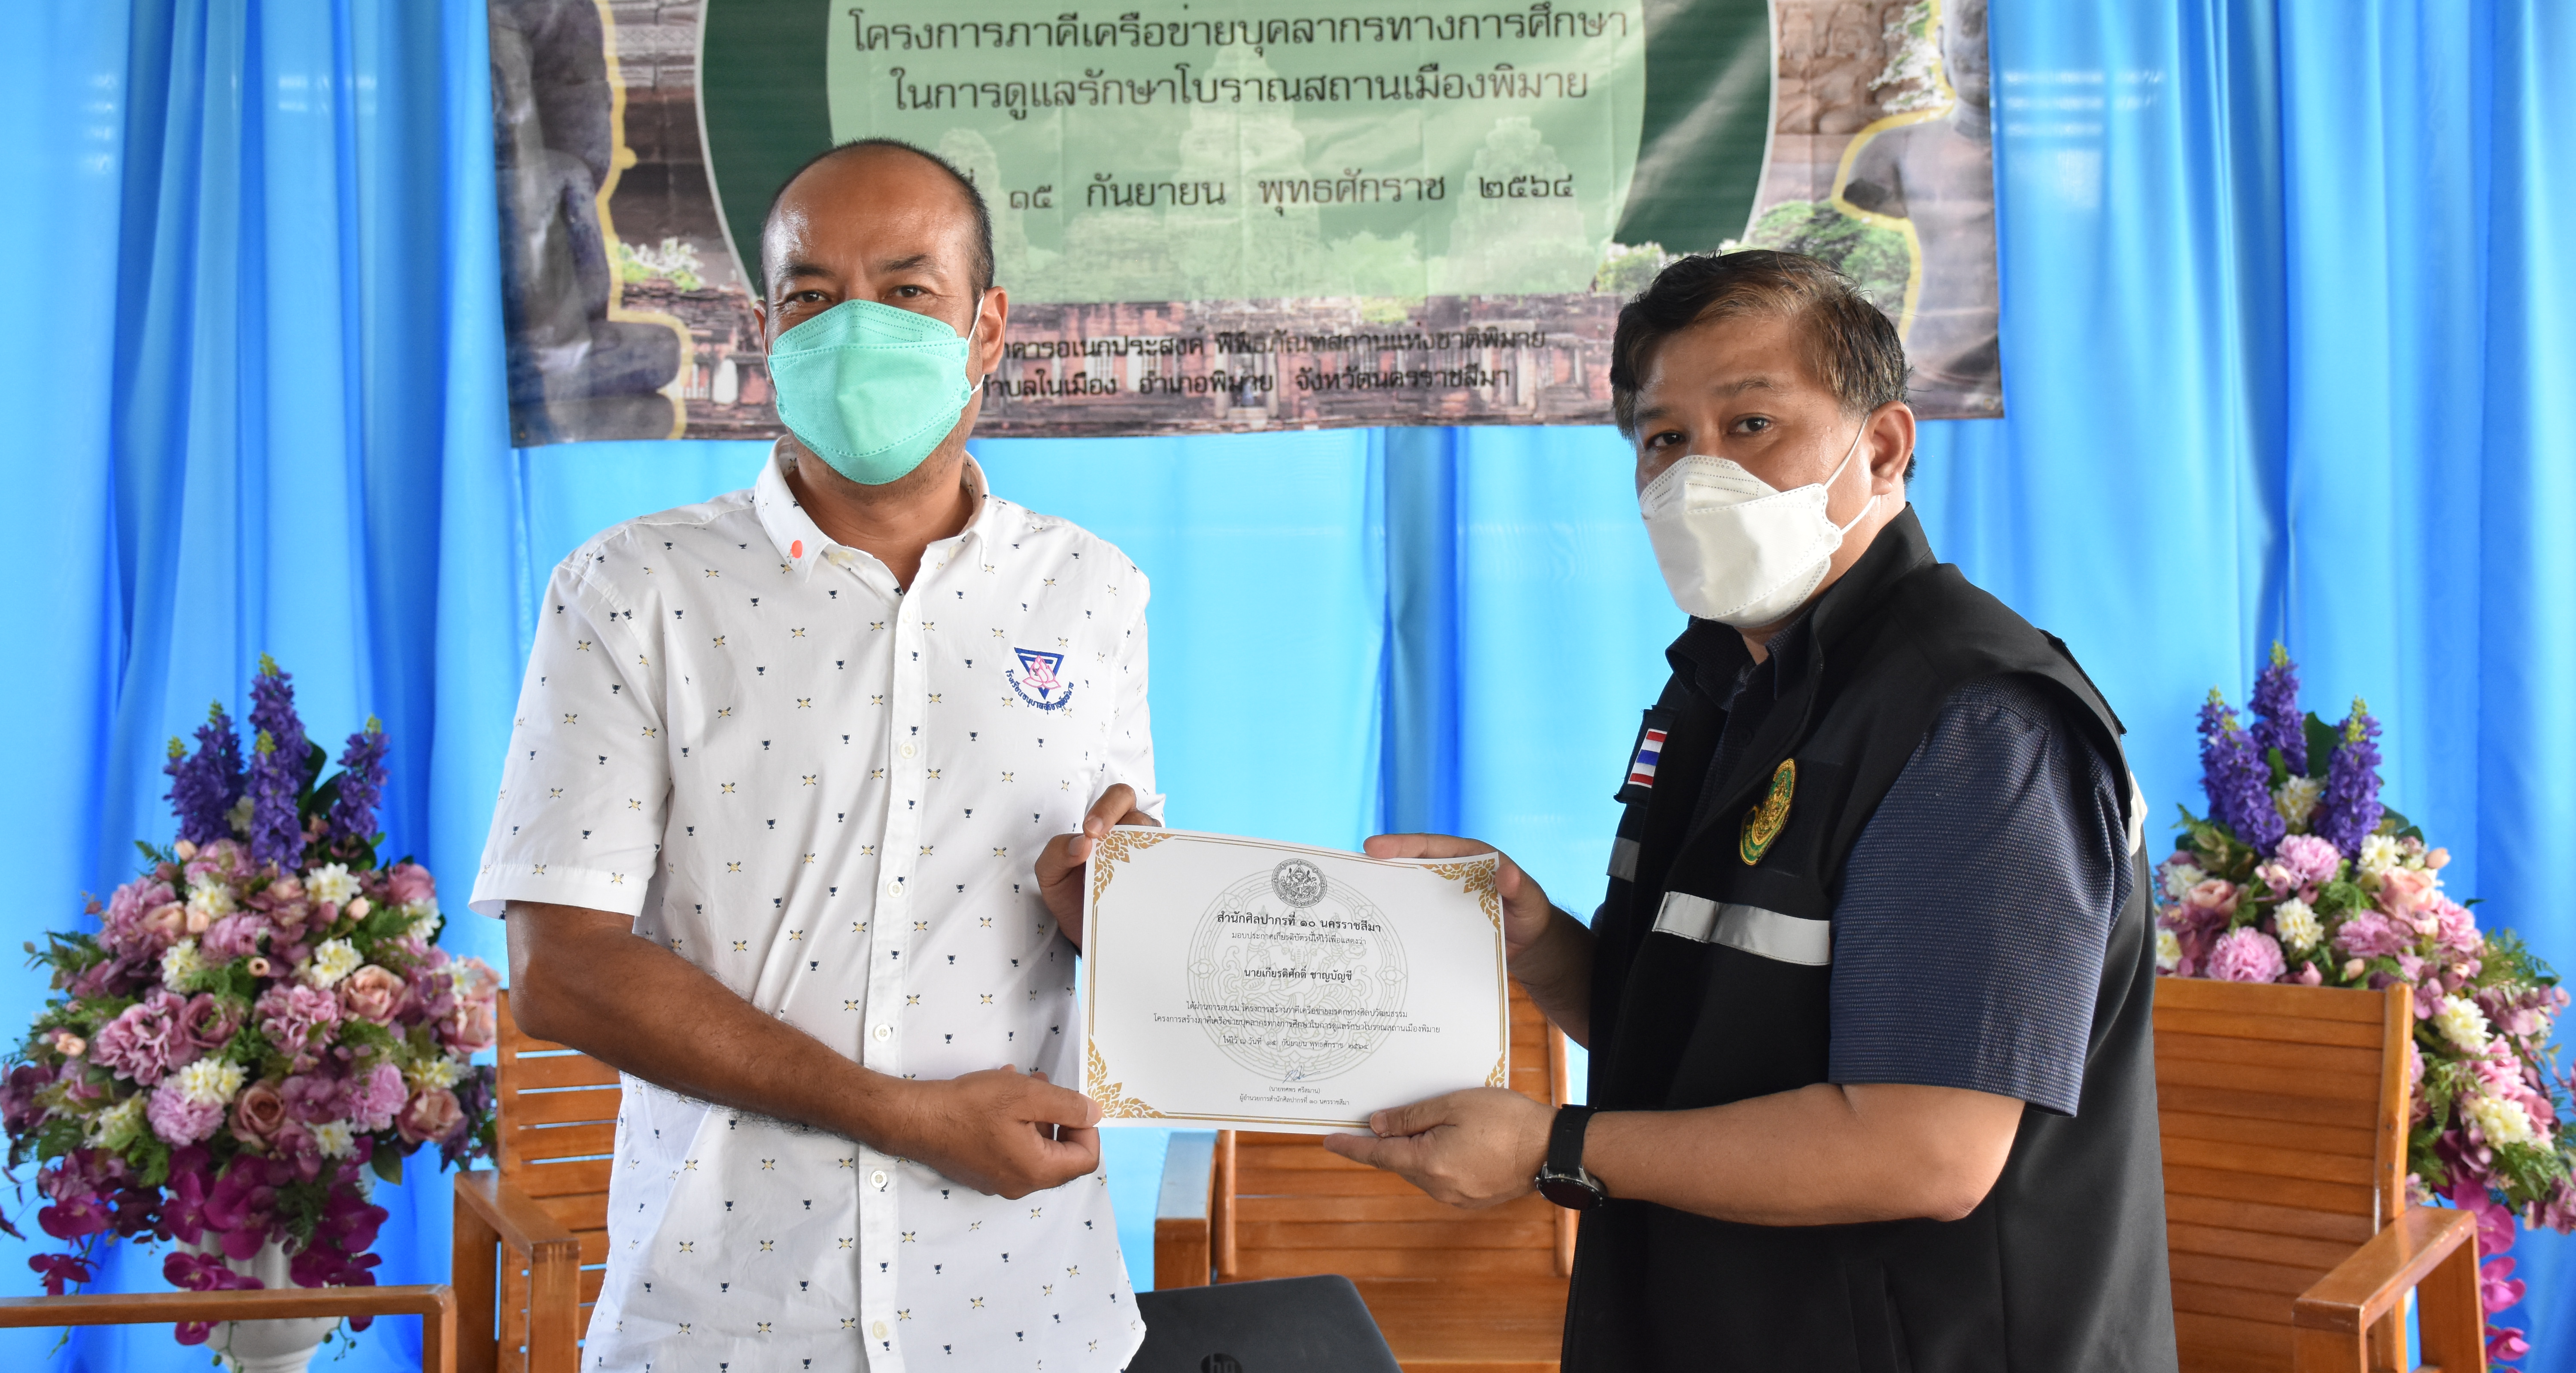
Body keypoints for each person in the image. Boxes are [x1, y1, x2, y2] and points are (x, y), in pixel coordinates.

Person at [1325, 250, 2176, 1371]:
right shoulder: (1721, 688)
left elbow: (1928, 1148)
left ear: (1883, 447)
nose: (1698, 475)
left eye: (1753, 424)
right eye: (1664, 439)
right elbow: (1691, 1037)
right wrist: (1537, 943)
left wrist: (1558, 1146)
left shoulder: (1974, 723)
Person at [470, 139, 1157, 1370]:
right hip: (722, 1323)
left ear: (988, 328)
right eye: (812, 296)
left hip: (1024, 1312)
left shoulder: (1090, 591)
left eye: (907, 291)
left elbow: (1123, 930)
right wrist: (903, 1117)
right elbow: (561, 969)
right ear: (766, 333)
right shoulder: (633, 589)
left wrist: (1117, 907)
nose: (856, 329)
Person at [1838, 0, 2000, 409]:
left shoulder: (2073, 161)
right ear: (1943, 41)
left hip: (2043, 371)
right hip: (1933, 376)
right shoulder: (1893, 152)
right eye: (1971, 23)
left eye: (2004, 25)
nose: (1986, 45)